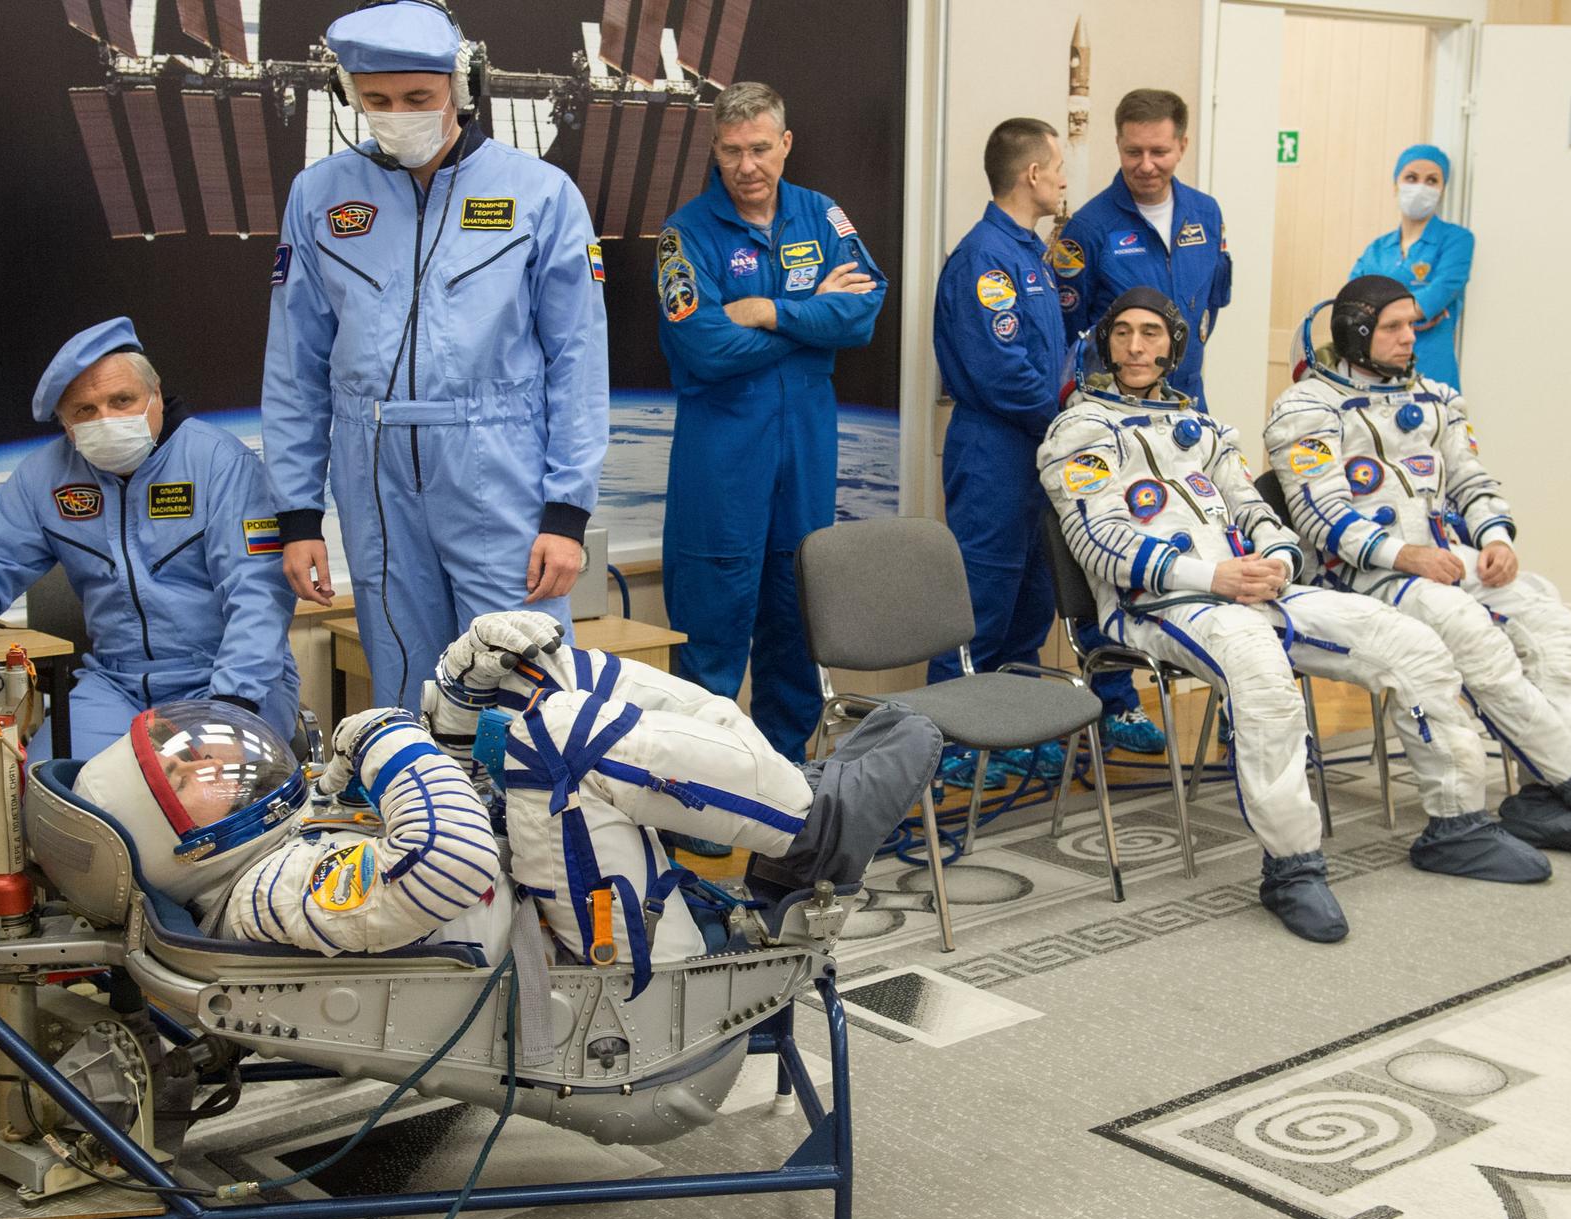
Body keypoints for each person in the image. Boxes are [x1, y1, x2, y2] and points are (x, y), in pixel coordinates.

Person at [1040, 288, 1554, 944]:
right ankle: (1293, 868)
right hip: (1161, 603)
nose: (1136, 347)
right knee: (1263, 675)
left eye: (1151, 334)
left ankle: (1458, 826)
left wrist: (1278, 562)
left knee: (1413, 642)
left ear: (1174, 345)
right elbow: (1098, 540)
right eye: (1123, 334)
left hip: (1254, 589)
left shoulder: (1202, 429)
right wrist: (1214, 576)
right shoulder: (1080, 431)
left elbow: (1257, 514)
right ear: (1105, 345)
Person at [69, 613, 938, 978]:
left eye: (193, 750)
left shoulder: (284, 841)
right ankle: (815, 830)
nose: (211, 762)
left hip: (564, 899)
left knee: (529, 678)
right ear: (177, 844)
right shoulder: (266, 894)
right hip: (605, 973)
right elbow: (445, 863)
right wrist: (387, 737)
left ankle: (789, 805)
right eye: (183, 780)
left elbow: (456, 805)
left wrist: (458, 704)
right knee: (557, 740)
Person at [261, 0, 608, 710]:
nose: (398, 115)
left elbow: (578, 361)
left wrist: (567, 513)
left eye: (418, 98)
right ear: (348, 94)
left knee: (525, 689)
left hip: (498, 469)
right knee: (405, 688)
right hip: (374, 476)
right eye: (377, 100)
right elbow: (295, 366)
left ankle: (526, 789)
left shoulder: (540, 194)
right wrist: (297, 516)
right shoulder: (319, 196)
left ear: (462, 85)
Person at [1264, 275, 1571, 856]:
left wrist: (1495, 539)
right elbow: (1319, 513)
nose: (1411, 337)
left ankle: (1543, 796)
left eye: (1412, 324)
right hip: (1360, 573)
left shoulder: (1435, 399)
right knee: (1469, 630)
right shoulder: (1306, 408)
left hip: (1440, 556)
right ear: (1356, 333)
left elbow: (1471, 480)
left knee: (1551, 621)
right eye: (1394, 327)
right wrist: (1404, 555)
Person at [0, 317, 299, 761]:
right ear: (65, 424)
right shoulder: (45, 477)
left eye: (122, 400)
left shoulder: (221, 462)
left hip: (223, 677)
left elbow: (258, 594)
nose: (107, 420)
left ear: (155, 394)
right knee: (51, 786)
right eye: (85, 411)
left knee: (193, 791)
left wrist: (232, 707)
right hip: (116, 683)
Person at [655, 81, 887, 764]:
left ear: (785, 144)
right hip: (721, 460)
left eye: (760, 148)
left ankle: (787, 777)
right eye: (732, 151)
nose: (747, 166)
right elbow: (704, 346)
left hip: (805, 453)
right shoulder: (685, 235)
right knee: (712, 627)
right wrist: (812, 325)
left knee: (795, 615)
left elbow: (864, 311)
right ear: (715, 150)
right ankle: (704, 787)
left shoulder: (821, 214)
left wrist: (767, 311)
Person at [929, 118, 1164, 779]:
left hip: (1041, 452)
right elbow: (1002, 371)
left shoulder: (1031, 251)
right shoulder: (985, 258)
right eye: (1058, 167)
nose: (1064, 180)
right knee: (980, 602)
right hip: (997, 451)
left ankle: (1012, 731)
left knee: (1032, 599)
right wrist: (1069, 421)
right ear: (1032, 174)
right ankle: (950, 744)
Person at [1058, 89, 1231, 411]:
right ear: (1118, 145)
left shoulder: (1206, 213)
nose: (1146, 165)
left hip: (1187, 403)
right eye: (1134, 152)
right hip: (1115, 409)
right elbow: (1070, 332)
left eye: (1159, 152)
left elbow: (1208, 307)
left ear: (1182, 146)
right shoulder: (1088, 228)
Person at [1349, 144, 1473, 389]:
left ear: (1442, 190)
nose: (1420, 187)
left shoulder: (1457, 240)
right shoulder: (1377, 248)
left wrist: (1379, 315)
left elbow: (1441, 291)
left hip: (1431, 368)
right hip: (1373, 367)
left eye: (1432, 180)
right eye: (1411, 178)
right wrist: (1415, 312)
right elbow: (1353, 302)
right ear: (1396, 185)